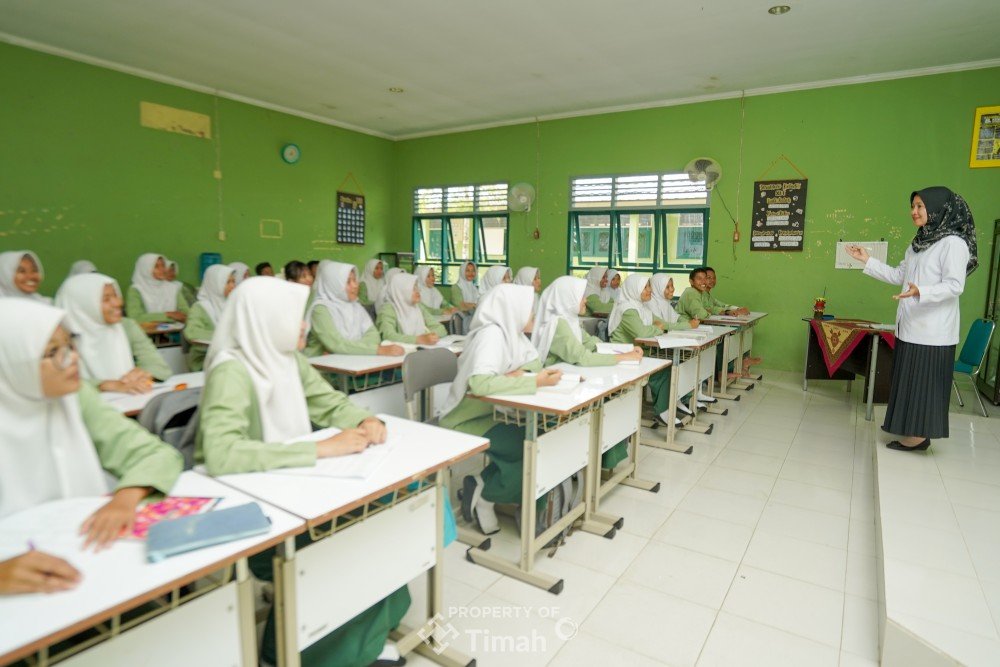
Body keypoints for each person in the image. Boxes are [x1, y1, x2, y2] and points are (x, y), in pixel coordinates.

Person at [195, 277, 407, 666]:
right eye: (294, 316)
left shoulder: (287, 358)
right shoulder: (231, 371)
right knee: (345, 550)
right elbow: (222, 454)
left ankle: (362, 639)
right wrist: (320, 448)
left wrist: (365, 419)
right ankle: (289, 653)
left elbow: (329, 402)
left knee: (377, 527)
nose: (305, 325)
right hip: (249, 508)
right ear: (267, 319)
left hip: (290, 487)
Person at [0, 298, 183, 595]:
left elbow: (155, 453)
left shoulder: (74, 397)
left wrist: (124, 498)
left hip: (83, 558)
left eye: (70, 345)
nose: (73, 359)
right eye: (53, 353)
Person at [847, 186, 976, 451]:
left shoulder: (953, 244)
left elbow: (955, 285)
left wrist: (922, 291)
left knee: (924, 385)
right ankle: (911, 432)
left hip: (933, 332)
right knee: (909, 382)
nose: (913, 212)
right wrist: (867, 260)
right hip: (909, 327)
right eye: (913, 206)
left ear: (939, 209)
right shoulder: (919, 243)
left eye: (920, 206)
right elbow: (899, 276)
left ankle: (918, 437)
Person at [440, 285, 562, 534]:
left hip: (493, 413)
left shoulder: (513, 334)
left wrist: (521, 373)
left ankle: (481, 484)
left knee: (540, 439)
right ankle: (487, 495)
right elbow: (480, 383)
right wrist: (534, 382)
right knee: (530, 447)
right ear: (513, 309)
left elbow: (534, 365)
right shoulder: (492, 336)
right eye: (529, 309)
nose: (533, 315)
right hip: (465, 419)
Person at [532, 276, 644, 468]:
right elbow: (582, 357)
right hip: (557, 392)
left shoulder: (570, 320)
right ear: (568, 299)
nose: (585, 300)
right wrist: (623, 357)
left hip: (571, 381)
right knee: (606, 403)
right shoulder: (558, 324)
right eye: (581, 297)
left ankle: (600, 458)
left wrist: (625, 350)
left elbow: (591, 342)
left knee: (611, 400)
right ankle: (593, 459)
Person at [56, 274, 172, 391]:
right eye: (106, 299)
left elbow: (160, 367)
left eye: (116, 295)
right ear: (82, 306)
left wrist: (143, 373)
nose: (118, 303)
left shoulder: (126, 326)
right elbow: (55, 381)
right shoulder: (59, 337)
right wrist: (103, 385)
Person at [609, 275, 682, 427]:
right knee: (661, 371)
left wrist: (690, 326)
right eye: (645, 287)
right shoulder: (628, 309)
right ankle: (662, 411)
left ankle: (663, 409)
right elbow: (641, 332)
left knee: (664, 367)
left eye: (649, 286)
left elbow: (664, 324)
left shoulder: (642, 307)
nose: (650, 290)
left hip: (637, 353)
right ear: (634, 289)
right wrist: (657, 328)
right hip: (623, 356)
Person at [183, 264, 236, 371]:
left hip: (231, 355)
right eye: (227, 282)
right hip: (205, 357)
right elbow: (191, 332)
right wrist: (226, 337)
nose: (232, 286)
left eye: (233, 281)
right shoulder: (200, 307)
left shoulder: (233, 304)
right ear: (215, 284)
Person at [376, 273, 447, 345]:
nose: (418, 291)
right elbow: (388, 336)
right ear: (401, 290)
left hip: (421, 348)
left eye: (417, 287)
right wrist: (418, 339)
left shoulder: (417, 306)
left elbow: (441, 329)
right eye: (413, 288)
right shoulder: (387, 309)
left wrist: (430, 336)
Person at [126, 254, 189, 323]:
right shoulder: (136, 290)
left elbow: (186, 312)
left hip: (175, 328)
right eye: (156, 266)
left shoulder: (173, 288)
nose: (162, 269)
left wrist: (182, 316)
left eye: (163, 265)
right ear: (145, 269)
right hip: (145, 329)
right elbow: (135, 318)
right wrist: (168, 315)